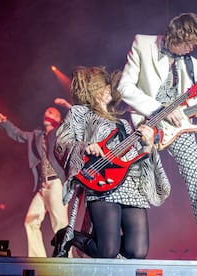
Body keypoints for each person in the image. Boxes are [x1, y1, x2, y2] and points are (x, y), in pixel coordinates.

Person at [117, 12, 197, 261]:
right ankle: (114, 250)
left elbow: (190, 104)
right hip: (146, 125)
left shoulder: (192, 63)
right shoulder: (143, 43)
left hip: (178, 129)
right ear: (179, 34)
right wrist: (159, 110)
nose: (191, 50)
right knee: (128, 184)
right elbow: (125, 87)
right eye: (190, 44)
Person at [52, 66, 170, 259]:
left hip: (131, 184)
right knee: (107, 251)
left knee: (137, 251)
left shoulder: (123, 123)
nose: (108, 90)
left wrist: (148, 146)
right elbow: (61, 143)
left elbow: (134, 156)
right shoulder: (79, 113)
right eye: (103, 87)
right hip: (101, 183)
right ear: (92, 90)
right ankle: (67, 236)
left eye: (108, 87)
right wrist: (85, 147)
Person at [0, 107, 71, 257]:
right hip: (43, 186)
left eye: (51, 112)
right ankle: (38, 259)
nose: (46, 113)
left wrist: (67, 106)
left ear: (57, 117)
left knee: (60, 225)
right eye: (46, 111)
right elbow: (18, 135)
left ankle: (67, 260)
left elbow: (70, 123)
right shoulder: (37, 135)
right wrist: (4, 122)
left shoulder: (61, 134)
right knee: (30, 220)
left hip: (57, 184)